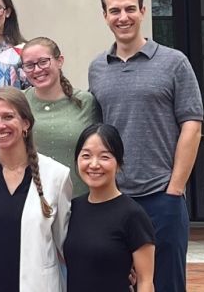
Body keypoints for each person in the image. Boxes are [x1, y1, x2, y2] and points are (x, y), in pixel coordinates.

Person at [88, 0, 203, 292]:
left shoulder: (174, 62)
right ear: (105, 16)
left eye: (129, 9)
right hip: (114, 197)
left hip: (161, 196)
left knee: (164, 282)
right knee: (114, 282)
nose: (122, 17)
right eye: (114, 11)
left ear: (142, 11)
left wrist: (175, 188)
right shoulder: (97, 67)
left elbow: (192, 126)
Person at [0, 86, 72, 291]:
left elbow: (66, 245)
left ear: (26, 123)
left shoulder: (56, 175)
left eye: (8, 116)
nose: (0, 125)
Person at [64, 123, 156, 292]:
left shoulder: (133, 215)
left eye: (104, 157)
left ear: (119, 163)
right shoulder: (72, 209)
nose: (94, 164)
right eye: (86, 156)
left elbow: (146, 281)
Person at [22, 37, 99, 198]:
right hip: (33, 200)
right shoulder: (19, 102)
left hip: (79, 199)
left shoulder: (86, 102)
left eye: (43, 62)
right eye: (29, 65)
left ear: (59, 61)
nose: (37, 70)